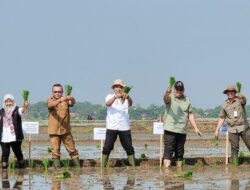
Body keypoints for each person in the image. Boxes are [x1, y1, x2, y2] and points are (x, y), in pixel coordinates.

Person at [163, 81, 202, 168]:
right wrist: (166, 93)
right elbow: (166, 100)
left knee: (180, 153)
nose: (178, 91)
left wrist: (196, 128)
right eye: (177, 89)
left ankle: (179, 171)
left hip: (182, 130)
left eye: (180, 90)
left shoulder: (187, 99)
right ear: (174, 89)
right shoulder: (170, 96)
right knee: (168, 151)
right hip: (170, 129)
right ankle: (166, 172)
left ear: (183, 90)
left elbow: (190, 114)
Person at [102, 79, 135, 167]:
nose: (118, 89)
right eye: (116, 87)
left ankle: (132, 166)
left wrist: (128, 97)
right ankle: (103, 166)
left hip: (124, 126)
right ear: (114, 88)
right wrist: (115, 97)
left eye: (120, 87)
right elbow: (108, 104)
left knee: (128, 147)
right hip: (112, 126)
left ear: (123, 88)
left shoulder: (126, 97)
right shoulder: (109, 96)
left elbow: (130, 104)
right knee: (107, 147)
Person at [214, 85, 250, 166]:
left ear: (234, 92)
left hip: (244, 127)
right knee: (234, 149)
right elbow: (222, 118)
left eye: (232, 91)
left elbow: (244, 101)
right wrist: (217, 130)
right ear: (226, 93)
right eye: (228, 92)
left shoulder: (239, 100)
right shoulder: (224, 105)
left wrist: (241, 95)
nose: (230, 93)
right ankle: (235, 167)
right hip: (232, 129)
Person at [47, 83, 80, 168]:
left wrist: (71, 98)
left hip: (65, 130)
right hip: (54, 131)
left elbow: (72, 103)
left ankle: (78, 169)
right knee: (55, 152)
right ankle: (57, 170)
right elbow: (51, 105)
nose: (57, 93)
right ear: (52, 92)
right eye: (55, 92)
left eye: (59, 91)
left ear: (62, 92)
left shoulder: (66, 100)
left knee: (72, 150)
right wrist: (60, 100)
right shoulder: (50, 100)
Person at [0, 94, 28, 169]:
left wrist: (25, 105)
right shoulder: (1, 111)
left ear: (13, 102)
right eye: (7, 101)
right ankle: (4, 169)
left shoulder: (17, 110)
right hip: (4, 137)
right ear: (4, 102)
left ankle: (21, 166)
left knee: (18, 152)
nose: (8, 103)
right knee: (5, 153)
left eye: (10, 101)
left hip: (14, 136)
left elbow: (23, 110)